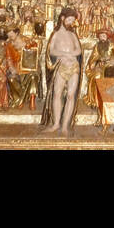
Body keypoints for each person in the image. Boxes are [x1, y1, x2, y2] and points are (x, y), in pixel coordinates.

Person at [41, 7, 83, 135]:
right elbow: (51, 50)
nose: (71, 22)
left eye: (73, 20)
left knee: (71, 95)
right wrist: (64, 54)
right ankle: (56, 124)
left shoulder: (72, 34)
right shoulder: (56, 34)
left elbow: (79, 50)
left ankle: (65, 125)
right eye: (69, 19)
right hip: (61, 66)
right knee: (57, 93)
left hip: (74, 66)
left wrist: (70, 55)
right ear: (62, 18)